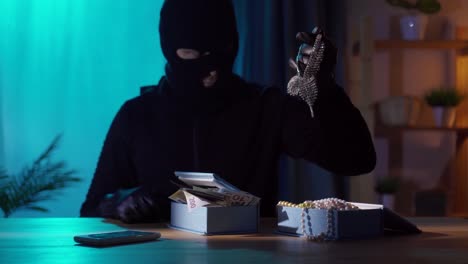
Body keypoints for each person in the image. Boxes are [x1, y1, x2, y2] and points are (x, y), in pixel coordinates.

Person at [80, 0, 376, 223]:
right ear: (170, 49)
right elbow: (91, 208)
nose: (210, 72)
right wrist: (117, 205)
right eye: (191, 55)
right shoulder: (137, 116)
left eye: (219, 54)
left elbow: (356, 159)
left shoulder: (266, 107)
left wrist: (325, 89)